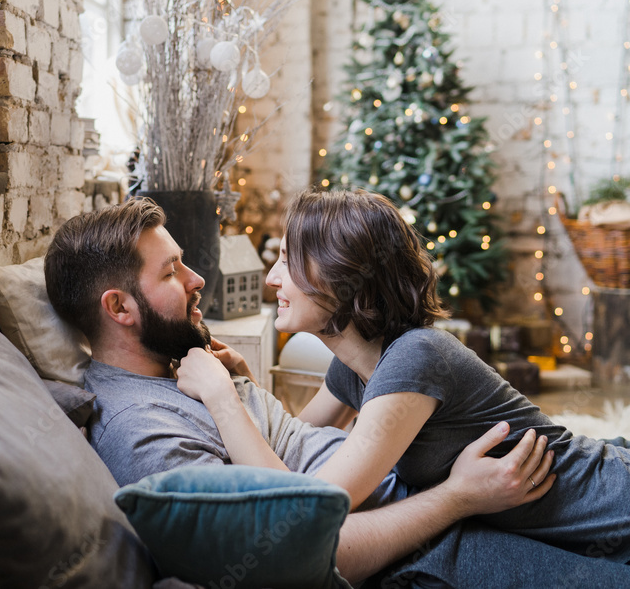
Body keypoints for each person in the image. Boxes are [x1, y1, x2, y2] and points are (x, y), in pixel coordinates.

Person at [42, 197, 630, 586]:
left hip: (583, 493)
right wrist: (457, 498)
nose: (200, 281)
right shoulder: (138, 425)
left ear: (345, 283)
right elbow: (302, 527)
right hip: (433, 530)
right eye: (172, 272)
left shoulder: (406, 357)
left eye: (287, 264)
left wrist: (239, 389)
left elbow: (305, 437)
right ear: (118, 308)